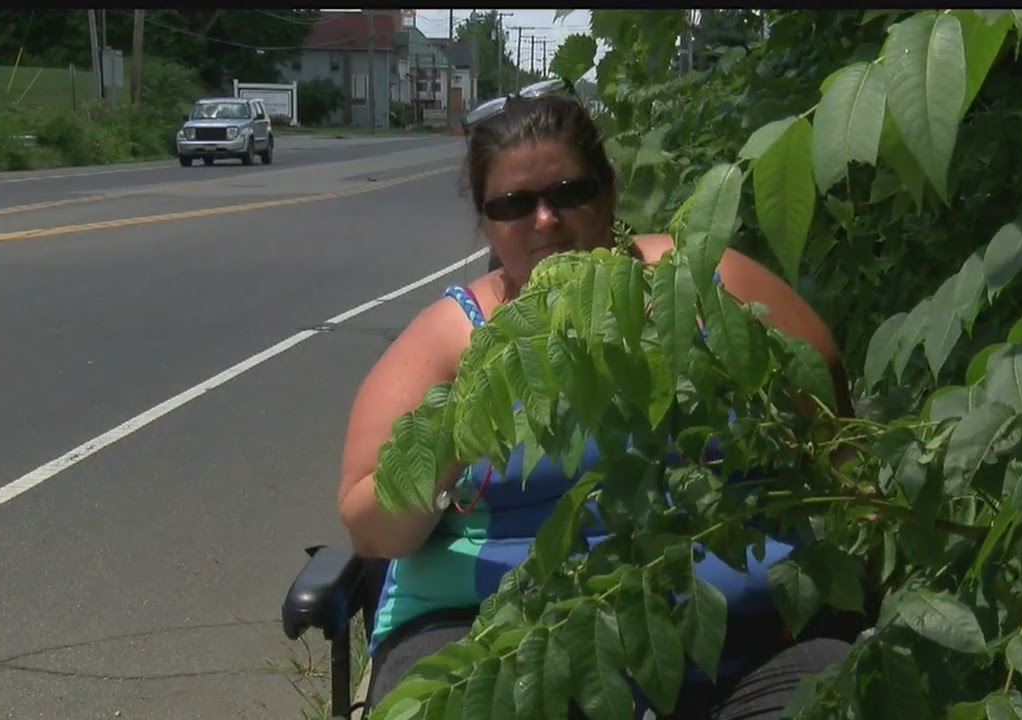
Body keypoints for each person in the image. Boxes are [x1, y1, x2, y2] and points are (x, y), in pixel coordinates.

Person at [337, 81, 857, 718]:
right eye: (514, 204)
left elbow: (825, 398)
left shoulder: (692, 278)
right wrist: (460, 431)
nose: (546, 220)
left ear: (607, 190)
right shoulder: (451, 338)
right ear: (486, 220)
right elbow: (370, 523)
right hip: (493, 641)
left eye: (569, 193)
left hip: (744, 640)